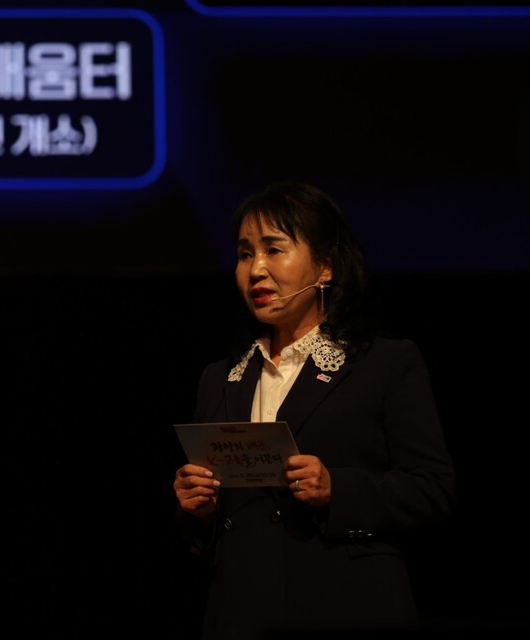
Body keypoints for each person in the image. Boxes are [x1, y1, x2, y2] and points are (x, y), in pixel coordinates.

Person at [172, 180, 456, 640]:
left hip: (345, 604)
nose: (256, 269)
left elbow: (433, 490)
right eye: (245, 254)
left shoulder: (384, 363)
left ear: (325, 267)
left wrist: (336, 489)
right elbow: (217, 523)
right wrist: (196, 508)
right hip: (241, 613)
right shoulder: (220, 378)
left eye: (274, 249)